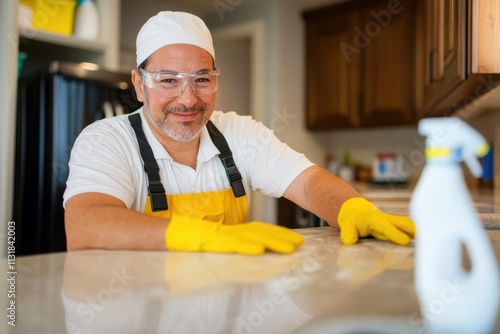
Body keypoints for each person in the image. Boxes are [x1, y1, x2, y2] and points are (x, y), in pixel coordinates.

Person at [63, 11, 414, 255]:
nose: (188, 99)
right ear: (139, 84)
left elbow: (308, 183)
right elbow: (85, 224)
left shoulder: (240, 133)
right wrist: (200, 235)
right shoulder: (105, 140)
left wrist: (351, 206)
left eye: (202, 79)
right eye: (168, 80)